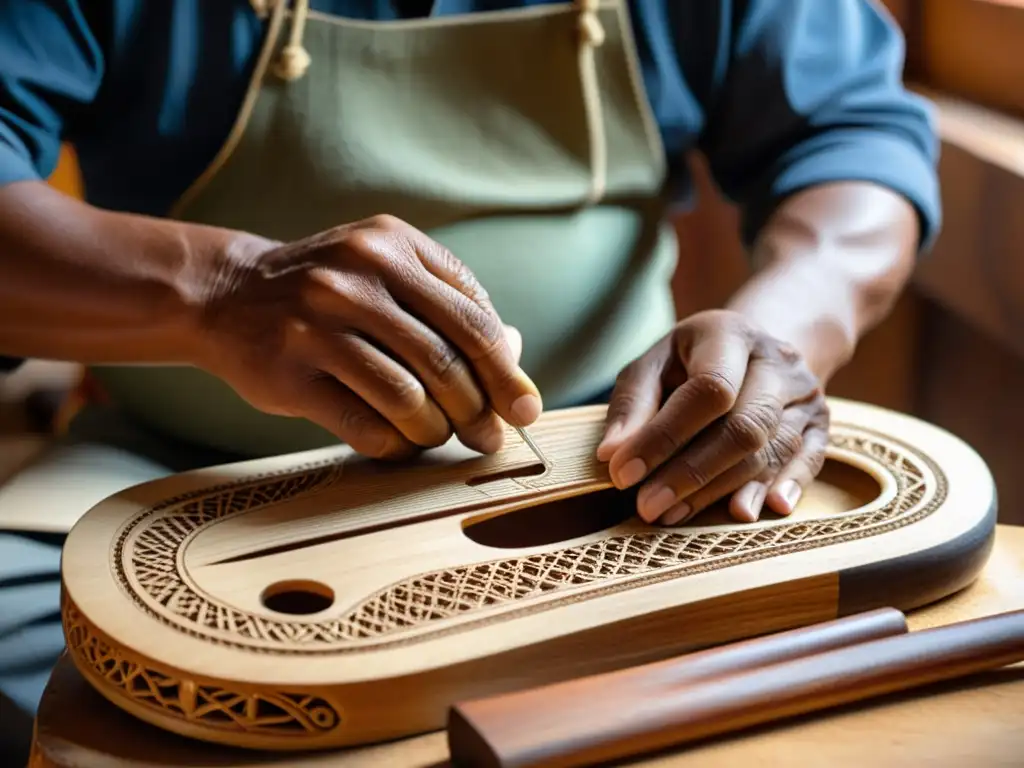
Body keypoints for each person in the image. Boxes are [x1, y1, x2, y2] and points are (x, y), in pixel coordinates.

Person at [0, 0, 937, 757]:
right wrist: (218, 291)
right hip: (171, 482)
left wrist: (781, 332)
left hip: (621, 480)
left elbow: (855, 137)